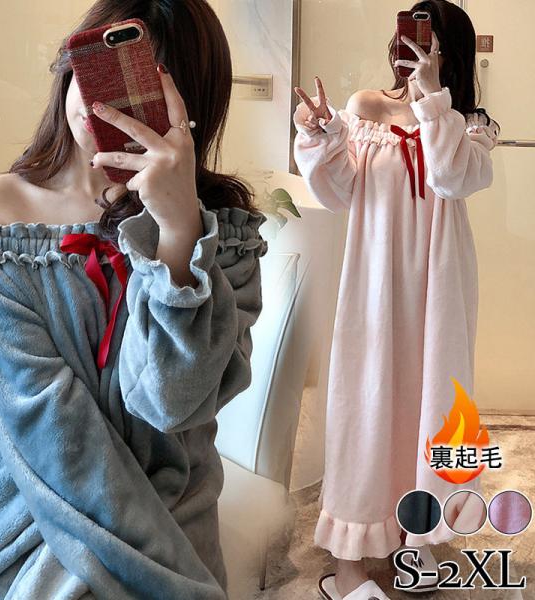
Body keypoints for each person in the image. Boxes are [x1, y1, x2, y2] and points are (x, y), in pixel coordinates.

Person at [0, 1, 268, 598]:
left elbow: (171, 406)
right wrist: (162, 570)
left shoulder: (223, 234)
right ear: (72, 68)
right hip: (31, 481)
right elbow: (43, 413)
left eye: (142, 88)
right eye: (100, 73)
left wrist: (177, 235)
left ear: (188, 106)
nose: (105, 106)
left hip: (172, 485)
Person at [292, 1, 499, 599]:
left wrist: (434, 101)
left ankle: (420, 537)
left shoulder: (469, 124)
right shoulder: (364, 109)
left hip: (441, 284)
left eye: (431, 42)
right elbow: (337, 193)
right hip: (374, 281)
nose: (416, 49)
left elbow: (450, 178)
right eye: (410, 38)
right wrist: (319, 136)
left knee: (436, 400)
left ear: (450, 52)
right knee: (367, 399)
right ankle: (350, 562)